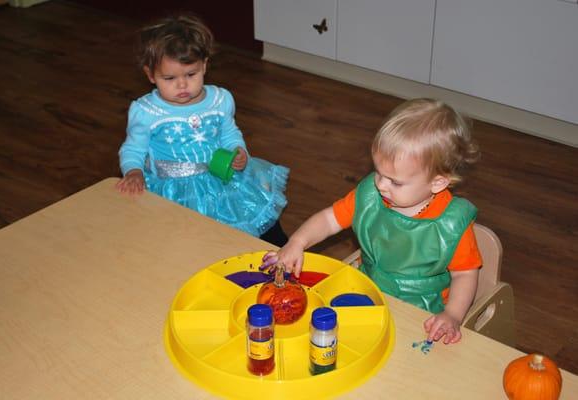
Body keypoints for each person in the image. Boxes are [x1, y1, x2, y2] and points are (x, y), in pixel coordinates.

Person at [262, 98, 482, 344]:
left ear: (438, 182)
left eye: (395, 181)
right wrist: (297, 241)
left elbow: (465, 275)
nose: (381, 185)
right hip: (368, 288)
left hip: (423, 310)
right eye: (378, 172)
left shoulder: (452, 225)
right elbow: (329, 218)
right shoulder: (370, 195)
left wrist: (452, 314)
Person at [116, 14, 289, 246]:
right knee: (188, 240)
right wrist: (133, 171)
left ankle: (284, 256)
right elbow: (133, 149)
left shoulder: (219, 100)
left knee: (254, 220)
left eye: (191, 74)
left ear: (205, 65)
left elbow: (229, 132)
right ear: (150, 74)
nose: (182, 85)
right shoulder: (146, 111)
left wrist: (239, 151)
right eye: (169, 78)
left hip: (222, 179)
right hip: (174, 191)